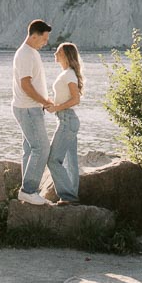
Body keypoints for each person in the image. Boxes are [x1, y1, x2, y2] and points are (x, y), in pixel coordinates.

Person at [11, 19, 54, 204]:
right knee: (42, 148)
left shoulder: (30, 52)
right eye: (43, 39)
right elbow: (26, 85)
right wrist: (45, 101)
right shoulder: (26, 54)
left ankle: (27, 191)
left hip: (29, 107)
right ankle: (28, 190)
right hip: (28, 108)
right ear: (34, 35)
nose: (45, 43)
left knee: (29, 149)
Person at [45, 42, 83, 204]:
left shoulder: (68, 75)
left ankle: (68, 196)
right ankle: (72, 197)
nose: (55, 54)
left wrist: (57, 107)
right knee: (71, 162)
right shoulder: (68, 73)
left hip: (67, 120)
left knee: (53, 160)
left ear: (66, 56)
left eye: (58, 52)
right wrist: (51, 104)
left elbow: (76, 99)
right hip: (67, 119)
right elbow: (67, 97)